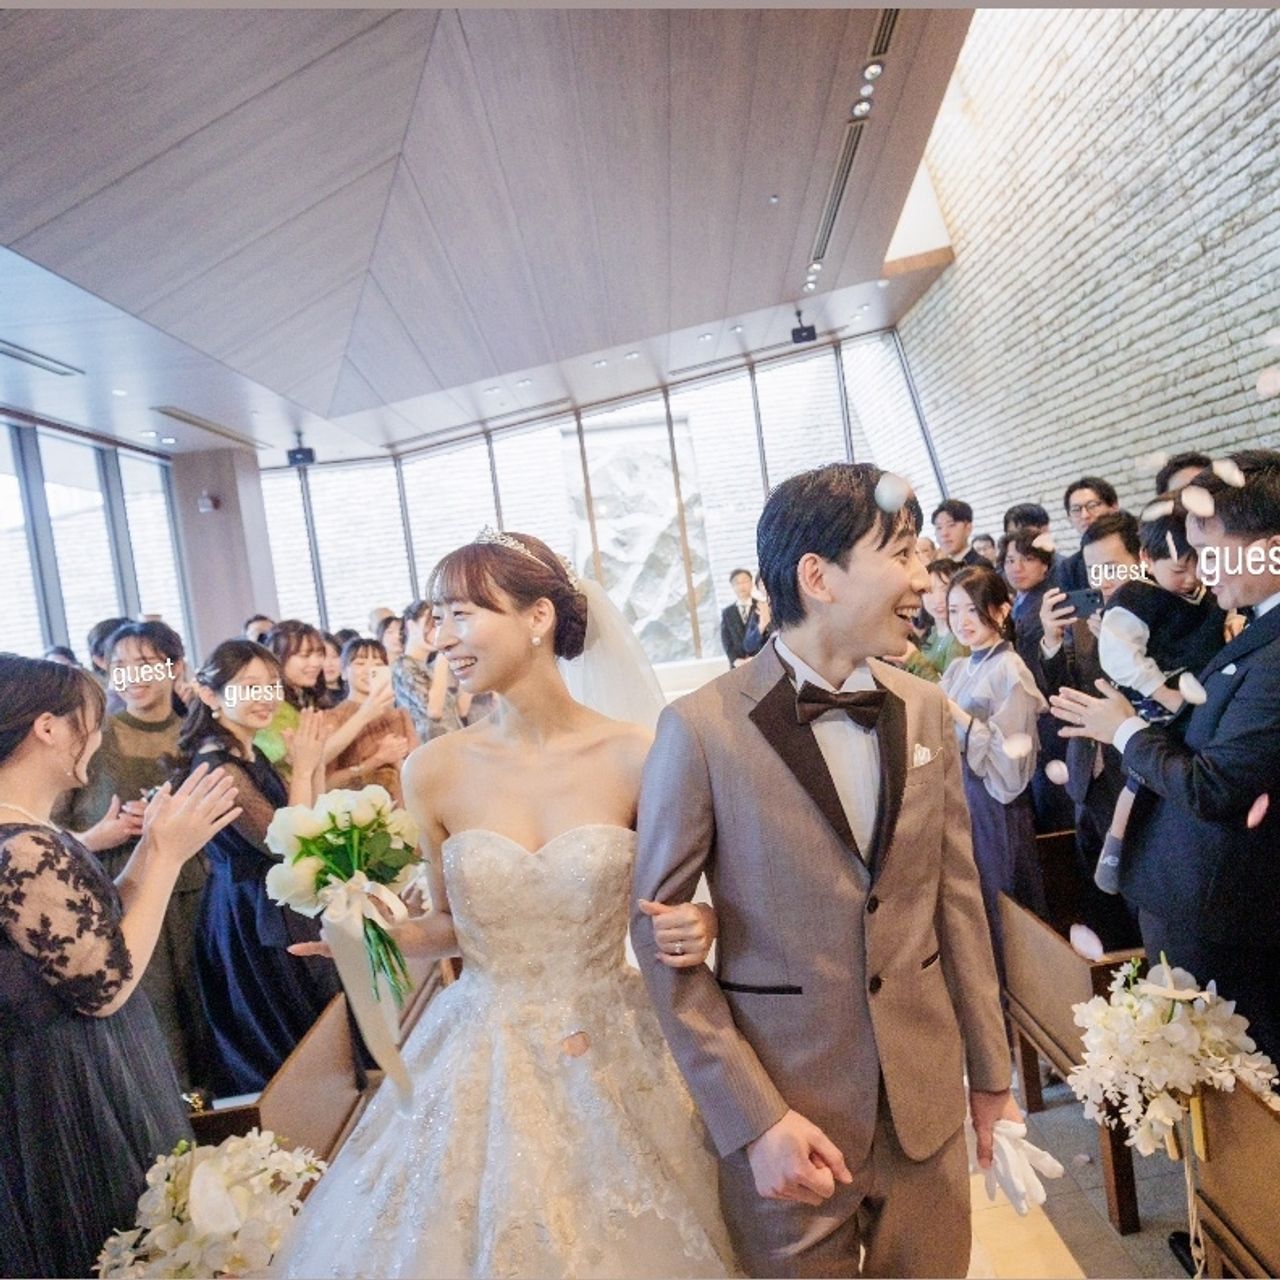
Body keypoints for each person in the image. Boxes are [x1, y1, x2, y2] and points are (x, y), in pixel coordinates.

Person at [269, 530, 731, 1279]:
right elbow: (454, 927)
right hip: (482, 1049)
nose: (441, 638)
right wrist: (380, 936)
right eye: (437, 617)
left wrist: (700, 923)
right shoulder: (432, 770)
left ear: (538, 617)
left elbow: (686, 901)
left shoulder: (637, 754)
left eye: (463, 614)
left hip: (612, 1041)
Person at [633, 464, 1015, 1279]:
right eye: (901, 554)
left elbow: (957, 905)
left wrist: (991, 1077)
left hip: (924, 1109)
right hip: (788, 1121)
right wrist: (752, 1119)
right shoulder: (700, 728)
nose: (923, 579)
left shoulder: (923, 709)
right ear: (818, 576)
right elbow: (656, 936)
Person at [0, 654, 239, 1278]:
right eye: (90, 718)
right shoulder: (20, 847)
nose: (98, 732)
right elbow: (103, 984)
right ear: (47, 728)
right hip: (68, 1085)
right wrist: (166, 858)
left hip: (84, 1061)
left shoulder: (28, 831)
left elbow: (93, 929)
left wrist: (154, 848)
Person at [1051, 451, 1280, 1062]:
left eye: (1210, 551)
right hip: (1208, 901)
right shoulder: (1254, 622)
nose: (1200, 571)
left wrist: (1126, 730)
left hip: (1235, 909)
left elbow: (1215, 785)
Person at [52, 620, 211, 1088]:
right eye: (119, 666)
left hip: (199, 891)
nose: (131, 676)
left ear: (174, 667)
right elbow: (42, 824)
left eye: (145, 664)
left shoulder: (198, 735)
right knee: (152, 1016)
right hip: (125, 892)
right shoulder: (93, 738)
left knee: (205, 1009)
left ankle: (219, 1114)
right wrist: (97, 835)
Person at [180, 640, 341, 1096]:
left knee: (314, 1028)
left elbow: (310, 823)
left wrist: (313, 766)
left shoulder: (249, 754)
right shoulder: (218, 767)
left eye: (271, 685)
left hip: (274, 903)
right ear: (210, 695)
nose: (266, 697)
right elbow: (289, 843)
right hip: (249, 916)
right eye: (249, 686)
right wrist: (304, 768)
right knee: (283, 1047)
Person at [1026, 513, 1144, 952]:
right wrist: (1052, 640)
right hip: (1086, 777)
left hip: (1133, 779)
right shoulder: (1086, 622)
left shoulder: (1162, 619)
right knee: (1100, 903)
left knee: (1138, 899)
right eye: (1096, 571)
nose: (1105, 580)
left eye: (1114, 567)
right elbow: (1063, 693)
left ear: (1142, 559)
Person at [940, 565, 1049, 970]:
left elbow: (1012, 760)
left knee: (998, 901)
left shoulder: (1010, 669)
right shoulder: (960, 667)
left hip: (994, 802)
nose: (962, 621)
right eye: (954, 611)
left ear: (1001, 610)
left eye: (973, 610)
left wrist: (956, 716)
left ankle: (1008, 995)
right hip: (963, 795)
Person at [323, 637, 417, 804]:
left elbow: (418, 772)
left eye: (378, 664)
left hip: (403, 808)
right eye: (360, 663)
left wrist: (397, 760)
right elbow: (326, 784)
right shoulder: (333, 718)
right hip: (357, 811)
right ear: (343, 672)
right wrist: (377, 759)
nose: (369, 669)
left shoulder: (400, 715)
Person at [393, 598, 472, 741]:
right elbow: (434, 711)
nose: (437, 632)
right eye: (432, 625)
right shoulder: (402, 666)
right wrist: (442, 658)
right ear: (411, 626)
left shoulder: (431, 667)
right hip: (430, 748)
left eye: (440, 625)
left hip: (453, 743)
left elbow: (462, 710)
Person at [903, 557, 968, 682]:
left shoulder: (960, 638)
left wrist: (914, 659)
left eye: (945, 590)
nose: (938, 599)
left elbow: (951, 691)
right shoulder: (934, 632)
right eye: (930, 591)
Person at [1053, 477, 1120, 591]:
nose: (1085, 515)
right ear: (1069, 518)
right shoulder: (1070, 568)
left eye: (1092, 506)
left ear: (1114, 507)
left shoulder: (1139, 547)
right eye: (1076, 510)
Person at [720, 568, 758, 668]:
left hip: (760, 662)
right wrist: (735, 660)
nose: (741, 586)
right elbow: (726, 640)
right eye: (737, 583)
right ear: (732, 586)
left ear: (751, 583)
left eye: (745, 581)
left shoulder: (762, 607)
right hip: (738, 665)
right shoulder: (727, 613)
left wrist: (756, 657)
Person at [931, 498, 985, 565]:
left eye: (951, 525)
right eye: (939, 528)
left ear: (968, 528)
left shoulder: (979, 566)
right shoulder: (945, 565)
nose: (944, 533)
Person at [321, 631, 347, 705]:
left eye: (334, 656)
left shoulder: (353, 693)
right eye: (323, 657)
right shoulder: (309, 700)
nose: (329, 663)